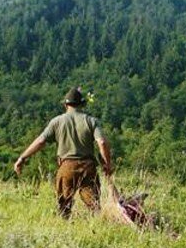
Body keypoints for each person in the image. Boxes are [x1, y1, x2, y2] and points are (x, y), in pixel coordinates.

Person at [14, 87, 113, 218]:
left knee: (64, 207)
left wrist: (22, 158)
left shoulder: (57, 122)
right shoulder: (91, 121)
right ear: (82, 104)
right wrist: (107, 164)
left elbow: (40, 141)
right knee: (94, 207)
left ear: (65, 105)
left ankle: (66, 229)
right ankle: (97, 230)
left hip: (67, 167)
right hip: (88, 167)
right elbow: (102, 142)